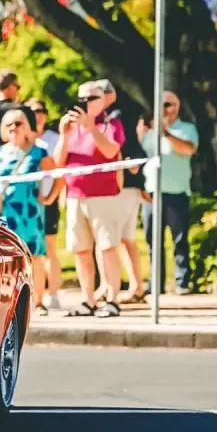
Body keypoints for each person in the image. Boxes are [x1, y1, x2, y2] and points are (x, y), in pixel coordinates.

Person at [53, 81, 126, 317]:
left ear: (102, 100)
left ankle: (112, 299)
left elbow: (111, 151)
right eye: (82, 98)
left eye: (92, 98)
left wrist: (91, 127)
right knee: (81, 250)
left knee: (107, 247)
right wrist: (64, 135)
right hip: (75, 196)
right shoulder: (72, 127)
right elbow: (59, 161)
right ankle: (88, 300)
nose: (86, 103)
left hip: (103, 196)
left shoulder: (110, 124)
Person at [0, 107, 53, 312]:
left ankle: (38, 301)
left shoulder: (38, 152)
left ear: (27, 127)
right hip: (4, 214)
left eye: (18, 123)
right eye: (9, 124)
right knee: (7, 258)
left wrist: (49, 198)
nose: (13, 127)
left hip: (30, 213)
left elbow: (57, 176)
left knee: (35, 256)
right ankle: (10, 303)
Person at [139, 91, 200, 295]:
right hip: (151, 192)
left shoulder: (187, 129)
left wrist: (165, 133)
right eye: (163, 105)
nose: (167, 109)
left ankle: (182, 282)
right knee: (152, 241)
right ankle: (156, 283)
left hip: (177, 192)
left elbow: (188, 150)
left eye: (170, 104)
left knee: (179, 240)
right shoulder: (148, 133)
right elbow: (141, 157)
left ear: (178, 106)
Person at [98, 80, 147, 302]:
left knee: (111, 239)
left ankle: (112, 287)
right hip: (127, 184)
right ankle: (135, 286)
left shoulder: (115, 116)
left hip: (121, 185)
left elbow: (128, 146)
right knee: (125, 239)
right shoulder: (117, 113)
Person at [26, 99, 65, 312]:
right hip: (26, 206)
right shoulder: (25, 139)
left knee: (49, 248)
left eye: (41, 111)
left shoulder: (53, 139)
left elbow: (61, 170)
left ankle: (53, 293)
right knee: (30, 252)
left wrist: (52, 197)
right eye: (32, 111)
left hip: (47, 201)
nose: (37, 115)